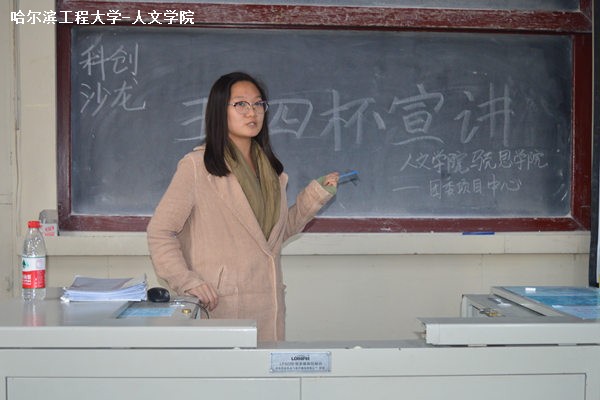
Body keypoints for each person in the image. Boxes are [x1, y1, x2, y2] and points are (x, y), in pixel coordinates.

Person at [147, 72, 339, 342]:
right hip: (220, 305)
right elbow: (160, 232)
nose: (252, 112)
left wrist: (315, 196)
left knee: (266, 369)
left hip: (267, 304)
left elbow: (273, 236)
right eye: (241, 104)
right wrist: (187, 281)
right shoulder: (197, 166)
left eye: (259, 104)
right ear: (219, 110)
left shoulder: (269, 170)